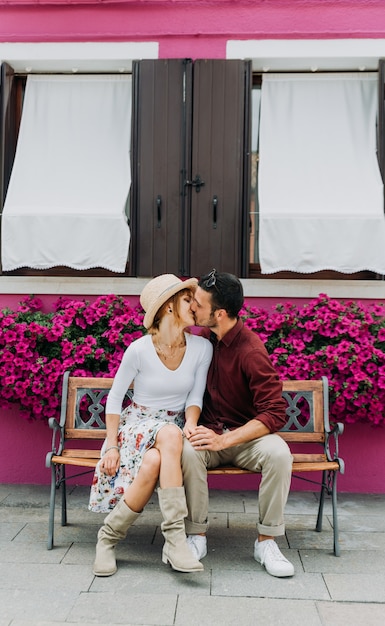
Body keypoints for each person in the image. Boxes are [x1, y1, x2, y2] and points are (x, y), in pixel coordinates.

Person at [89, 274, 213, 576]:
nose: (194, 306)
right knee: (168, 434)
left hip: (173, 429)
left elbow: (194, 398)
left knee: (156, 459)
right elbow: (115, 399)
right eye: (187, 300)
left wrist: (192, 424)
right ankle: (174, 540)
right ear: (168, 307)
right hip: (137, 424)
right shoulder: (140, 349)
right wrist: (112, 447)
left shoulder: (201, 348)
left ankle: (107, 539)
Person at [182, 269, 295, 578]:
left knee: (280, 454)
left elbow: (274, 413)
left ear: (219, 314)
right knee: (188, 452)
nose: (192, 307)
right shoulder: (202, 341)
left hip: (246, 438)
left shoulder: (251, 351)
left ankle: (266, 542)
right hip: (209, 433)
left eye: (199, 304)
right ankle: (196, 537)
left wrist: (225, 441)